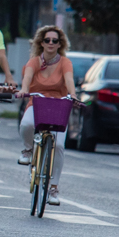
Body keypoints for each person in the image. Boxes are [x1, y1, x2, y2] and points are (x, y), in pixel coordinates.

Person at [16, 25, 77, 205]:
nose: (51, 43)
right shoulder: (34, 62)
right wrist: (24, 90)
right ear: (41, 43)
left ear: (60, 44)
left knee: (59, 145)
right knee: (26, 125)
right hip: (37, 103)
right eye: (47, 40)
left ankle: (54, 188)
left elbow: (69, 80)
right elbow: (27, 78)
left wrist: (73, 94)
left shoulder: (65, 62)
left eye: (55, 40)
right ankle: (28, 150)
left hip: (59, 105)